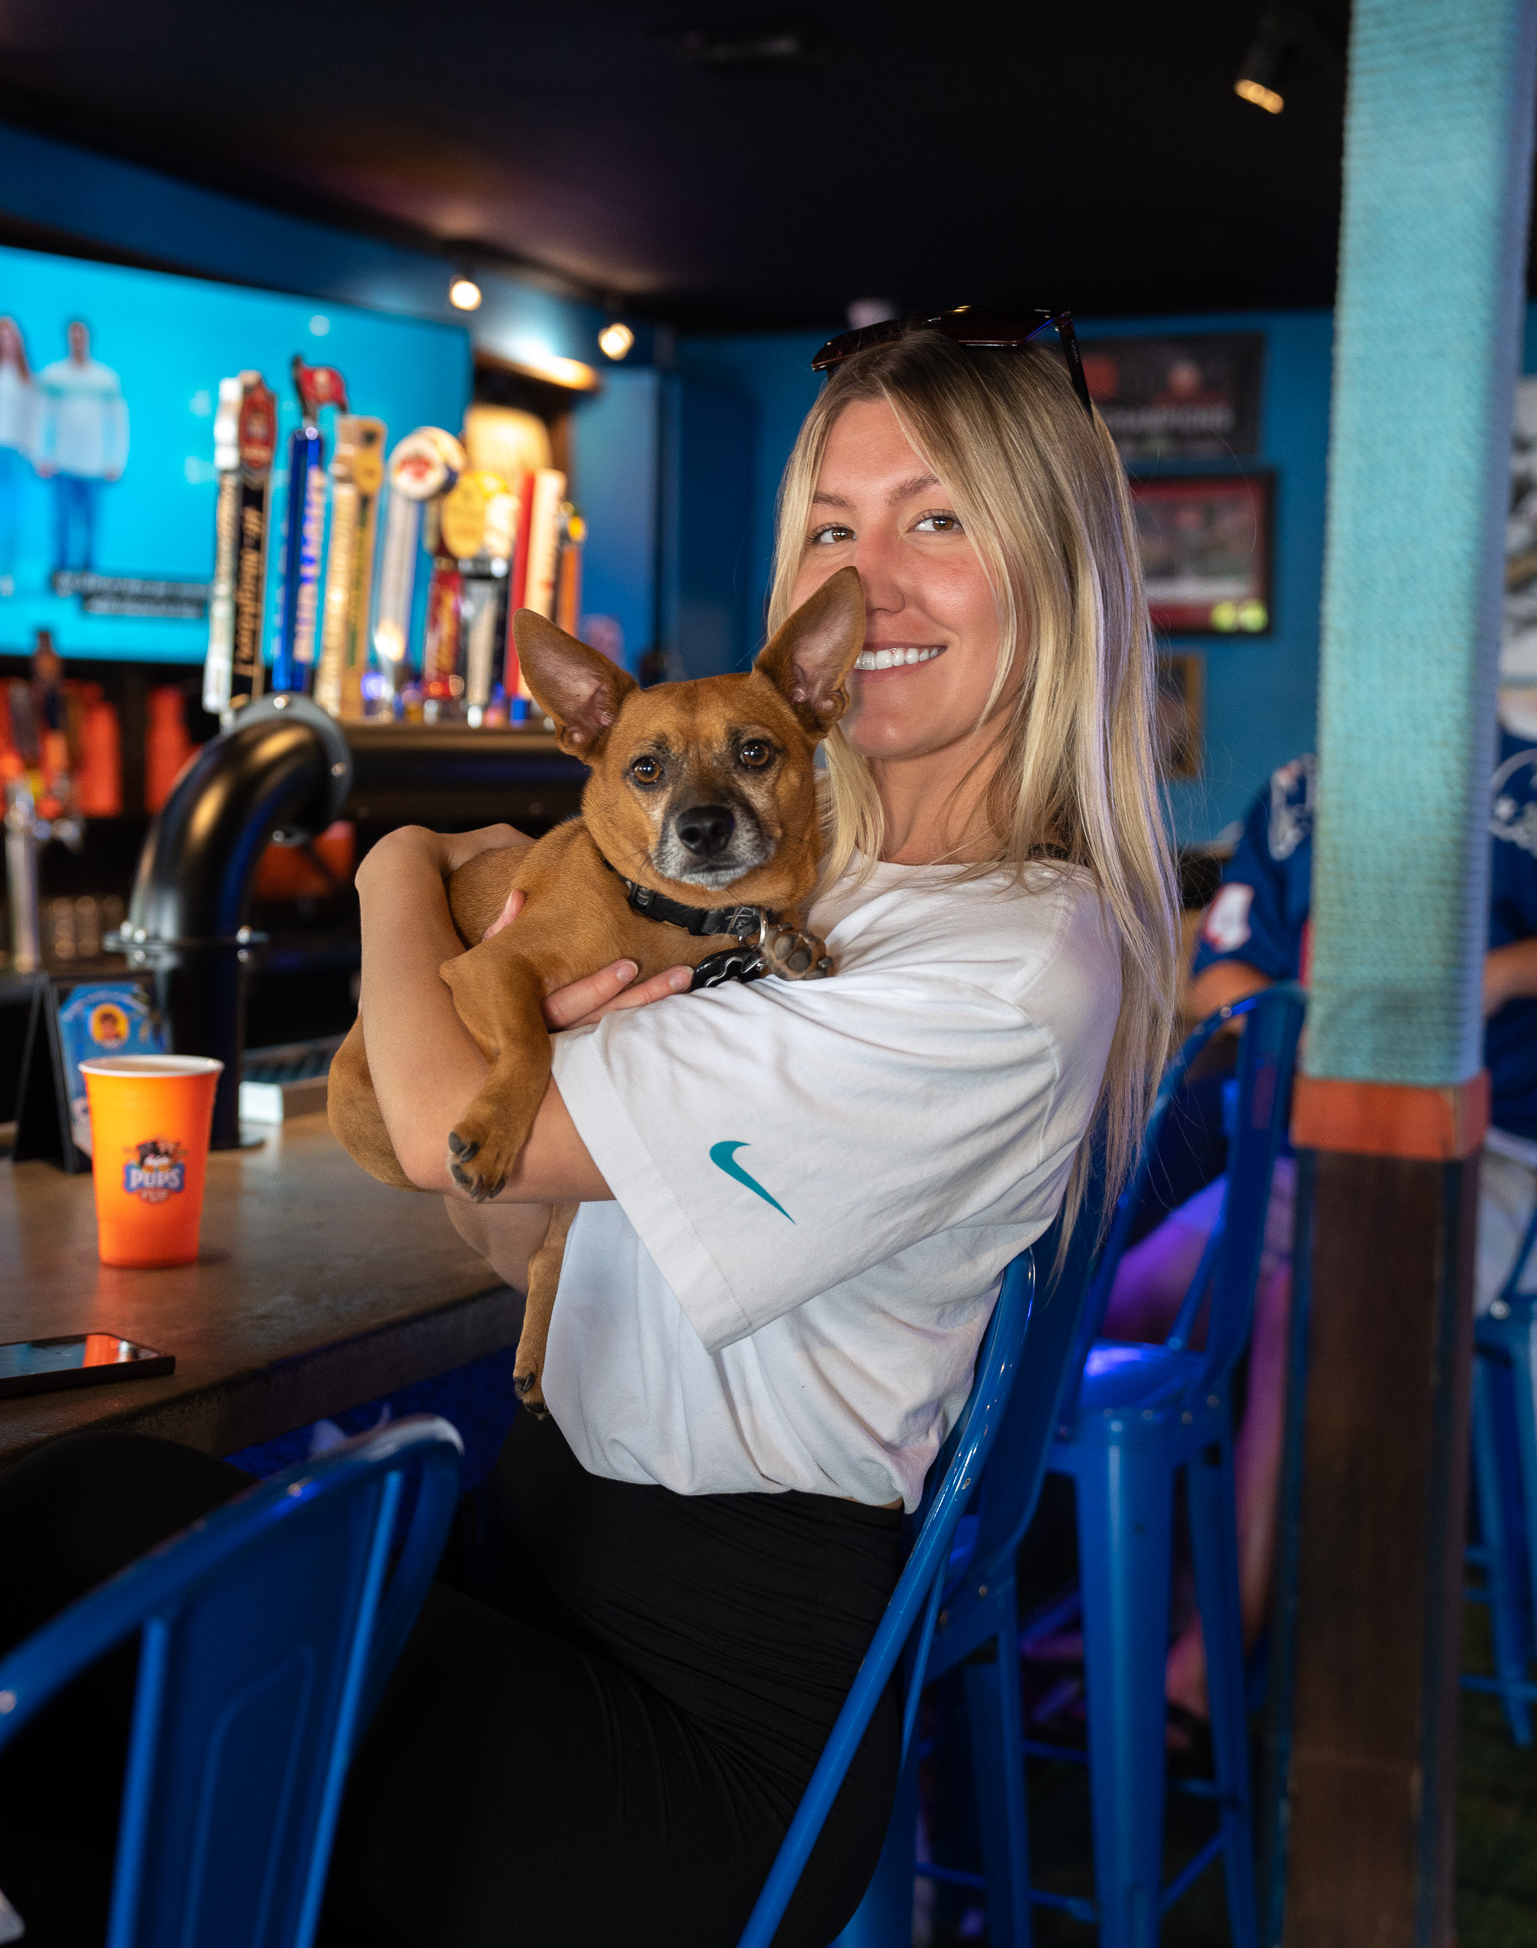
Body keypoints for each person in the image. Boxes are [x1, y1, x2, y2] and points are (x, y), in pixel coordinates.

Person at [0, 319, 1178, 1948]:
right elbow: (514, 1220)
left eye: (940, 518)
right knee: (80, 1527)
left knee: (68, 1539)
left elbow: (425, 1128)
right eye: (836, 526)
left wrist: (398, 862)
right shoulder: (798, 894)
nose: (879, 576)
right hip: (542, 1566)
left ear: (1053, 567)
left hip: (693, 1735)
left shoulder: (997, 960)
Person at [1096, 729, 1537, 1728]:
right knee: (1119, 1303)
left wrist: (1497, 974)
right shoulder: (1298, 792)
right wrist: (1308, 1025)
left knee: (1304, 1310)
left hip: (1492, 1152)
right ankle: (1086, 1601)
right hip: (1309, 1145)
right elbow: (1217, 973)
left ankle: (1214, 1654)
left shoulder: (1519, 784)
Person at [35, 318, 129, 575]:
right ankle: (62, 576)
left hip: (95, 466)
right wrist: (41, 455)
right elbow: (42, 418)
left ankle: (89, 579)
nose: (77, 341)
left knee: (90, 526)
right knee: (62, 524)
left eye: (81, 336)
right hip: (62, 463)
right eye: (73, 336)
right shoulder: (53, 376)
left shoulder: (106, 378)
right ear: (68, 339)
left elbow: (119, 423)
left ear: (88, 339)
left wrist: (116, 461)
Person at [0, 316, 37, 588]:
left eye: (10, 335)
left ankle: (5, 574)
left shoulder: (27, 380)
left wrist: (32, 453)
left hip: (13, 454)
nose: (5, 340)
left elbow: (32, 420)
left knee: (9, 516)